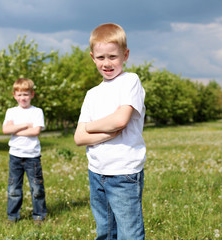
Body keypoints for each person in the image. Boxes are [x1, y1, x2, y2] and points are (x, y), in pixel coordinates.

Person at [74, 23, 146, 240]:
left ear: (125, 55)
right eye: (101, 57)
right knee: (104, 231)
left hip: (123, 172)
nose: (107, 63)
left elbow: (121, 119)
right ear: (92, 57)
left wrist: (91, 127)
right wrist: (104, 132)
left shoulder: (130, 81)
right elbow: (79, 137)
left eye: (113, 56)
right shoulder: (92, 94)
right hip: (96, 171)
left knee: (129, 233)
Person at [2, 78, 47, 224]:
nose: (23, 98)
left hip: (32, 156)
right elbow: (5, 130)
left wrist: (15, 130)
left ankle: (39, 215)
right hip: (15, 156)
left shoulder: (37, 112)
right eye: (20, 94)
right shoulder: (11, 112)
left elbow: (35, 131)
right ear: (14, 95)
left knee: (36, 188)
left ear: (32, 94)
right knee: (14, 188)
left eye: (26, 94)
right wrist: (24, 125)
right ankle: (12, 216)